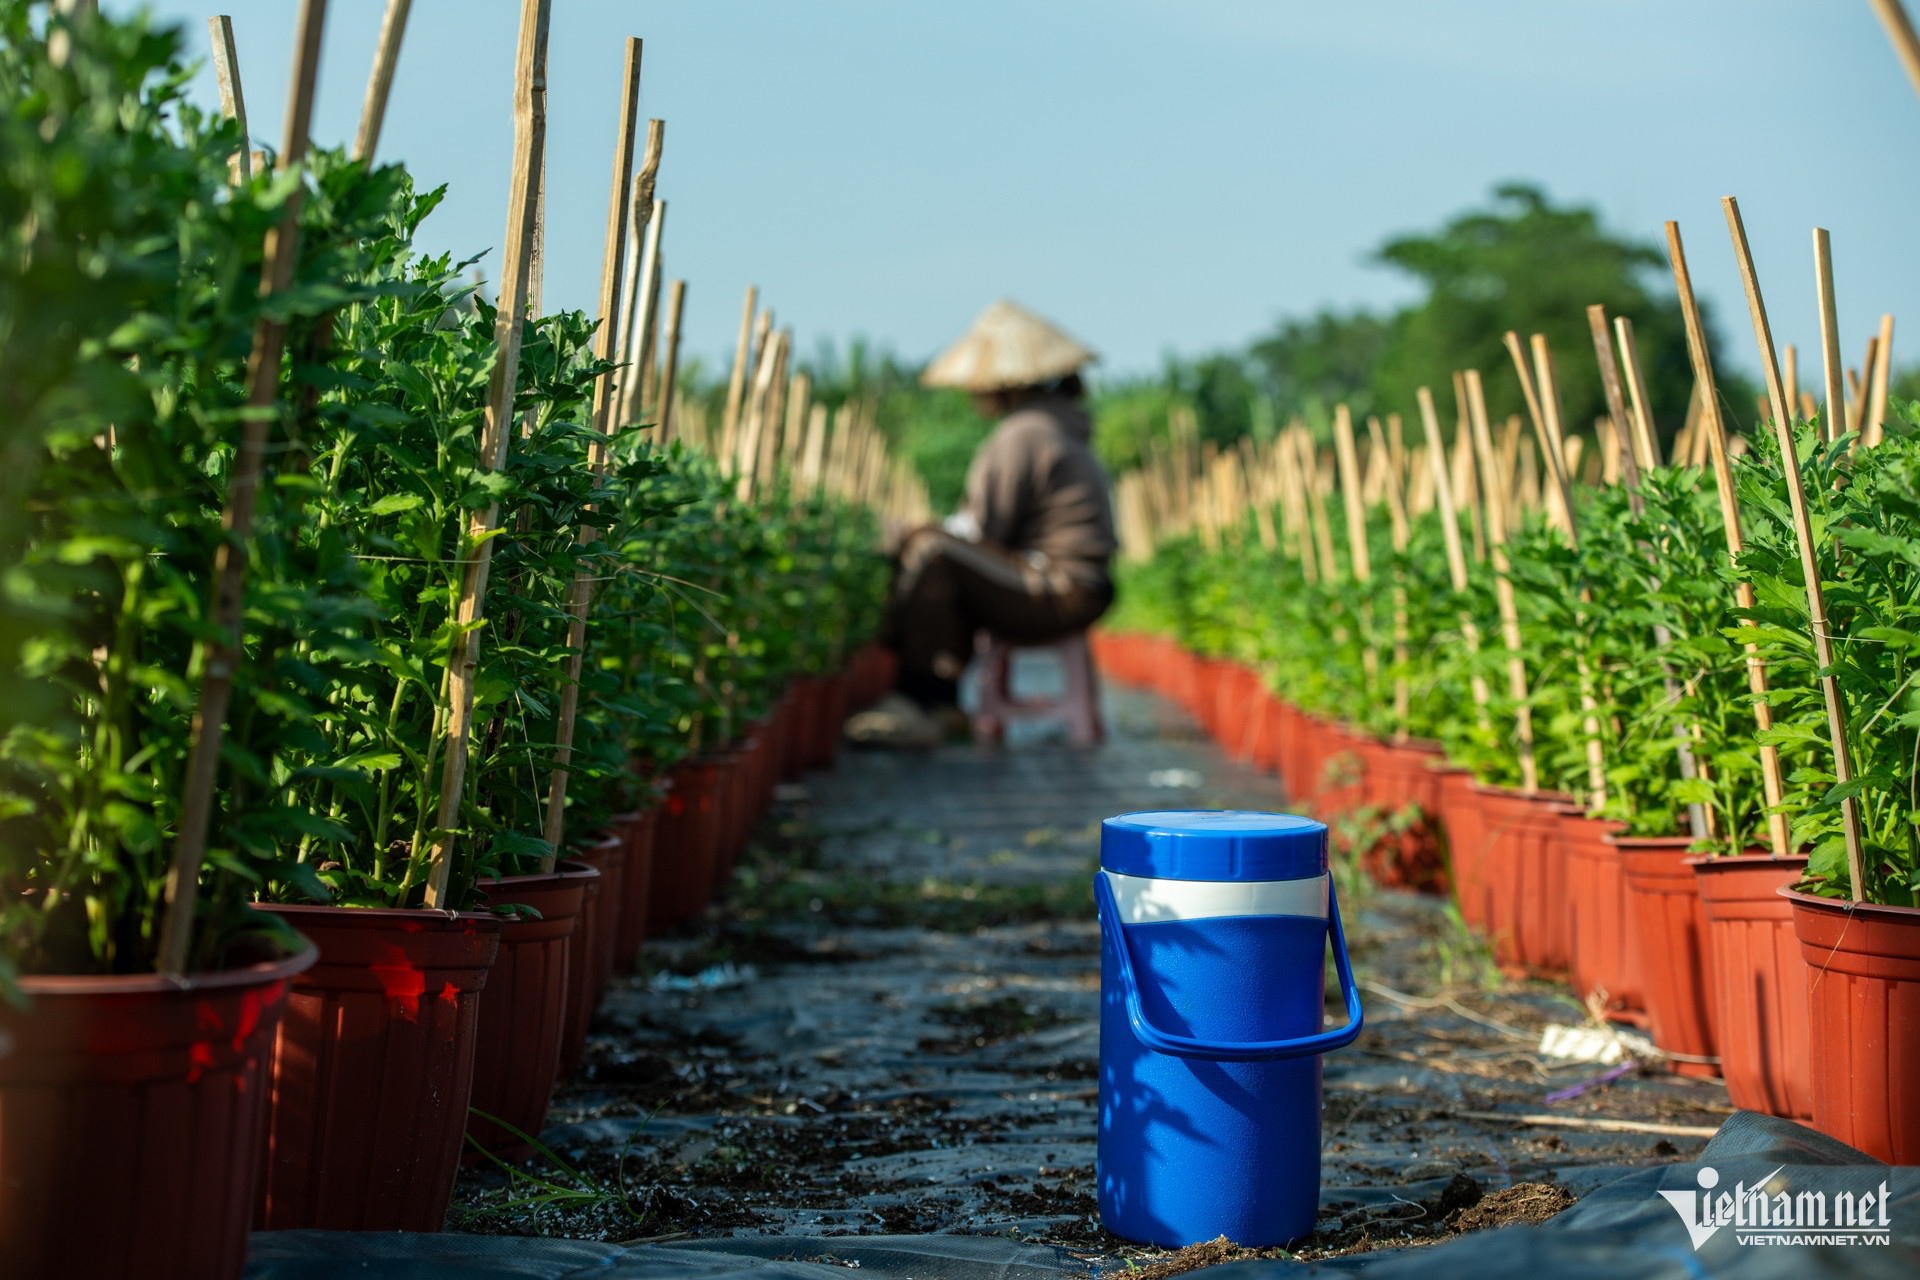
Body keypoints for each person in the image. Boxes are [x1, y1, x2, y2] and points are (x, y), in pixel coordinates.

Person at [847, 301, 1117, 747]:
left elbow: (982, 531)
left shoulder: (1025, 433)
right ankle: (936, 697)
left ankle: (922, 700)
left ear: (1004, 385)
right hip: (1078, 585)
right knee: (934, 547)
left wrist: (909, 536)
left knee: (931, 551)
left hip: (1060, 588)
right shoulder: (1050, 426)